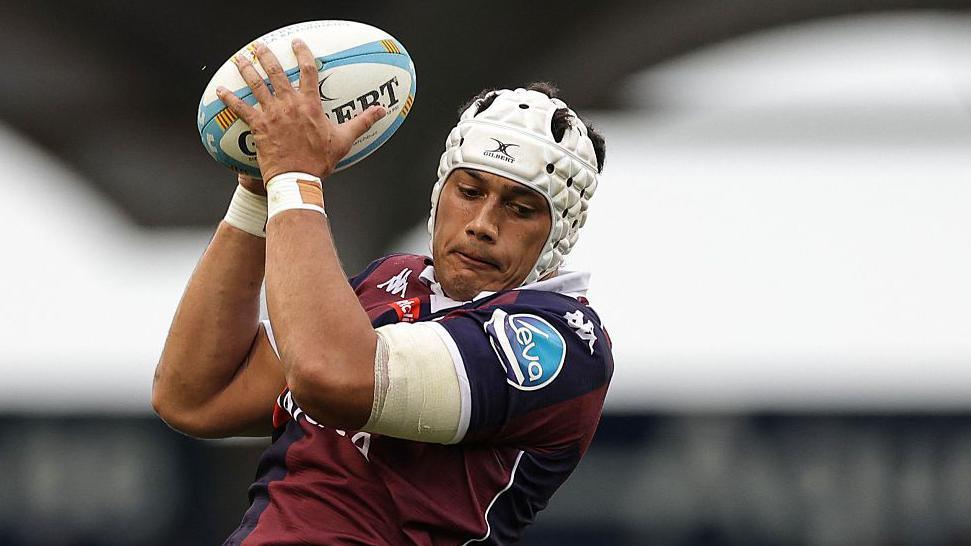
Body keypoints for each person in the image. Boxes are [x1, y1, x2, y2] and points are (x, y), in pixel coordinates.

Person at [152, 38, 612, 545]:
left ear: (561, 230)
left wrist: (295, 176)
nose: (482, 224)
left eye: (520, 208)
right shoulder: (389, 281)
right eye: (470, 190)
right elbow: (195, 395)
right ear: (440, 192)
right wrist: (258, 191)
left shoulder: (562, 342)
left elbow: (332, 375)